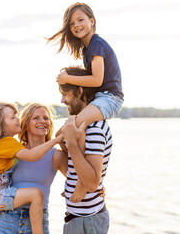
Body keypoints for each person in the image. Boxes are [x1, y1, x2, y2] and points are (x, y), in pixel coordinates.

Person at [47, 2, 123, 202]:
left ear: (92, 21)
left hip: (110, 98)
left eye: (80, 20)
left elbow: (97, 80)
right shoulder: (86, 49)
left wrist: (67, 79)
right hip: (100, 97)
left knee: (77, 125)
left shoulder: (97, 44)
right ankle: (79, 178)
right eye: (72, 23)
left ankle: (84, 186)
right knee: (63, 135)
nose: (76, 25)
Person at [0, 102, 64, 234]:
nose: (42, 121)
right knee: (36, 194)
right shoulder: (13, 150)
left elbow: (79, 180)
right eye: (36, 118)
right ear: (25, 123)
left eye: (46, 118)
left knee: (35, 194)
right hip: (5, 219)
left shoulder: (54, 155)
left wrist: (96, 187)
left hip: (35, 222)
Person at [58, 66, 112, 234]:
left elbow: (91, 183)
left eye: (65, 94)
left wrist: (72, 143)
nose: (62, 100)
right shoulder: (79, 123)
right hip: (79, 218)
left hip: (88, 221)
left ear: (79, 91)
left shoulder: (94, 128)